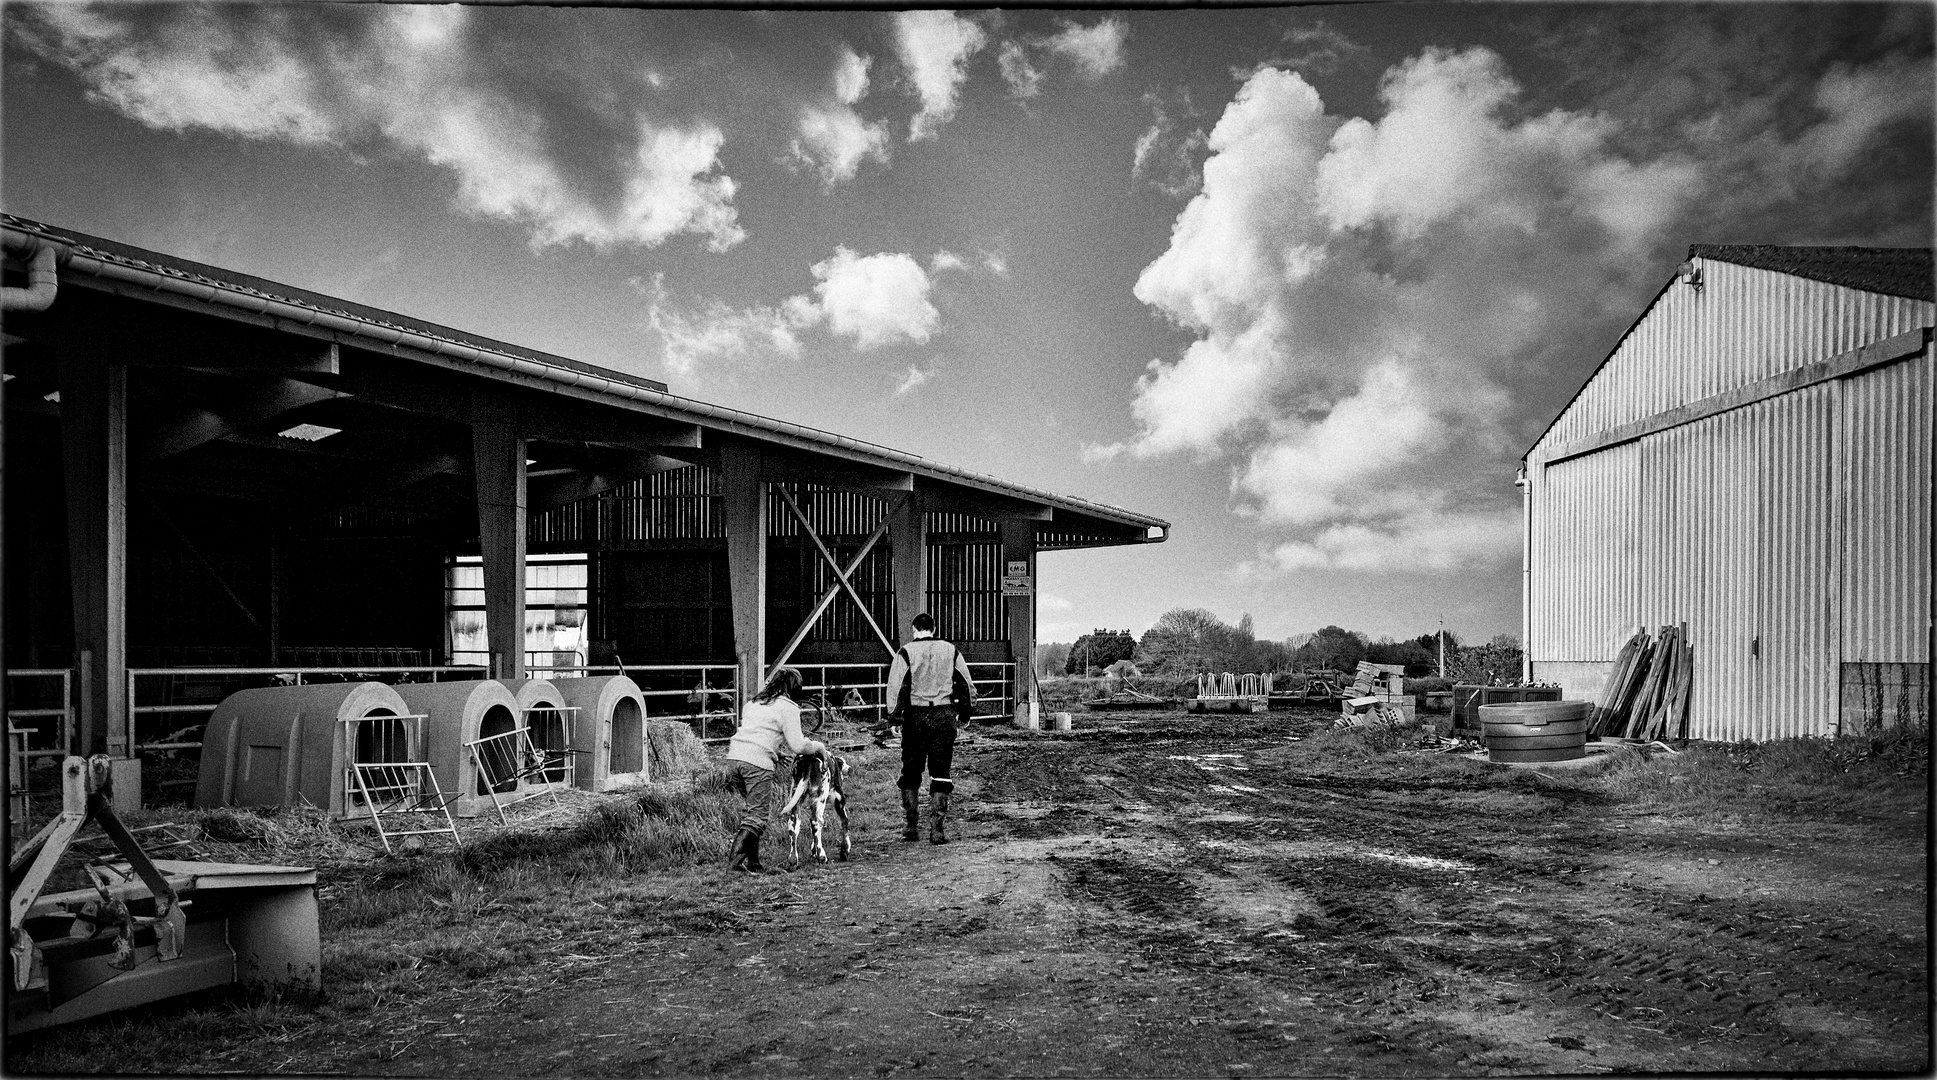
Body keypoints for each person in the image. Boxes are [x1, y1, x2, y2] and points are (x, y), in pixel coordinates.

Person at [884, 612, 976, 844]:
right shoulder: (951, 650)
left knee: (911, 771)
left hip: (915, 717)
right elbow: (966, 684)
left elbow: (896, 689)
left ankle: (911, 826)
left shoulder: (905, 652)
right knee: (941, 772)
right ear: (933, 629)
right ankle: (937, 830)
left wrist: (894, 719)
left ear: (914, 629)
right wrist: (965, 714)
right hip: (944, 716)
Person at [723, 666, 824, 873]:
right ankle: (734, 865)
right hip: (757, 765)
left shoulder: (754, 702)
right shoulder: (789, 707)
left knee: (752, 812)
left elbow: (756, 734)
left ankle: (754, 863)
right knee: (757, 816)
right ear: (795, 688)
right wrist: (818, 747)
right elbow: (799, 745)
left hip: (734, 759)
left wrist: (775, 753)